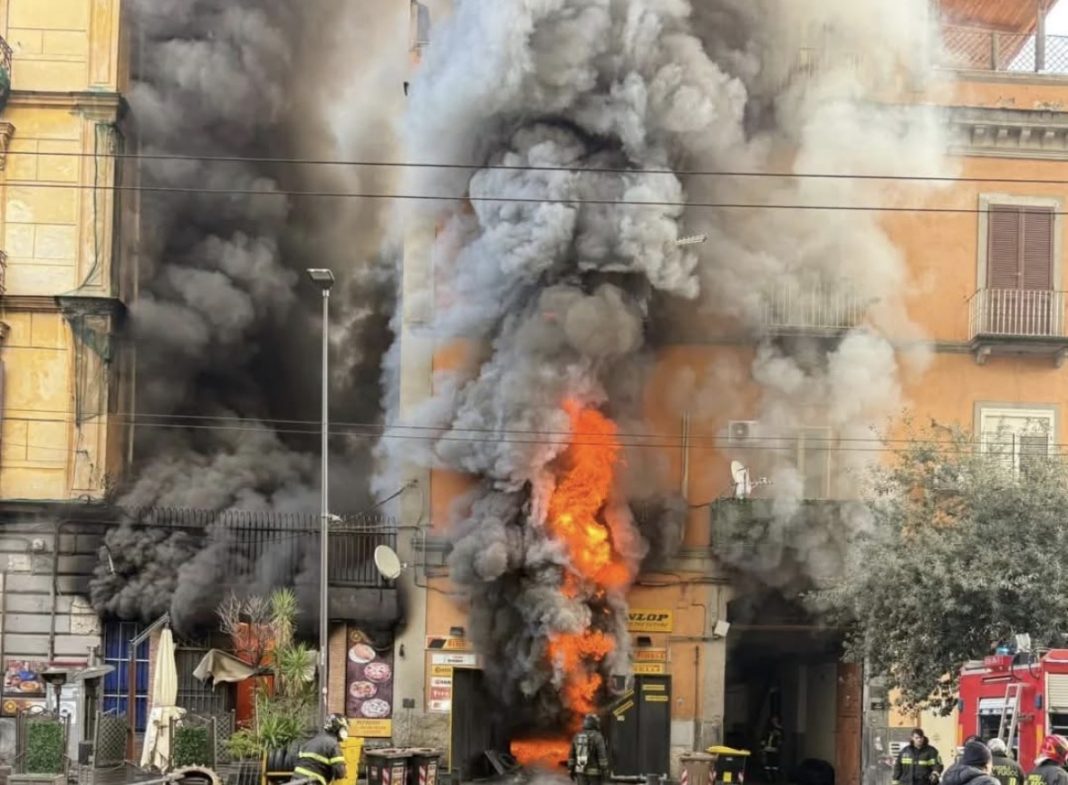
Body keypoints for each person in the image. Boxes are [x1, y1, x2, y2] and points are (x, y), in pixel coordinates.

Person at [293, 714, 348, 785]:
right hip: (312, 782)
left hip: (296, 780)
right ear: (338, 729)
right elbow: (340, 772)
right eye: (344, 729)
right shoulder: (333, 744)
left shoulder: (311, 741)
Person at [569, 713, 609, 785]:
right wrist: (605, 771)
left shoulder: (577, 736)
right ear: (595, 724)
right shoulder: (598, 737)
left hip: (580, 771)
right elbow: (602, 756)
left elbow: (572, 755)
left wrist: (570, 770)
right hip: (594, 774)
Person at [762, 716, 784, 783]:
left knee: (774, 765)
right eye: (773, 720)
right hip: (767, 749)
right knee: (767, 765)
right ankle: (768, 779)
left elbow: (782, 739)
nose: (774, 721)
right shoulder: (767, 729)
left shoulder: (779, 729)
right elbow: (763, 739)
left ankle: (774, 779)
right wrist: (762, 748)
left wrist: (779, 730)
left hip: (775, 750)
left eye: (776, 720)